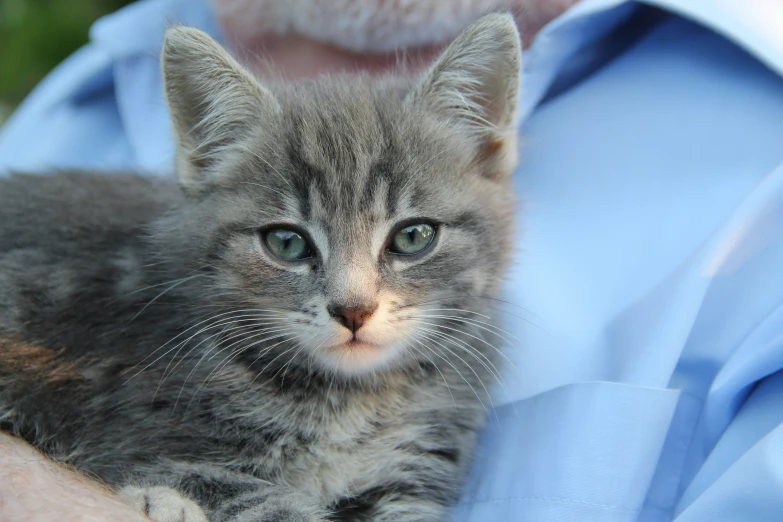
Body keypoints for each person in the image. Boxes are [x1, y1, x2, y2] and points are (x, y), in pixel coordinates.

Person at [1, 0, 783, 520]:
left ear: (486, 141)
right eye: (287, 243)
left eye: (409, 238)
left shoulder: (757, 141)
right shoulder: (80, 95)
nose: (352, 296)